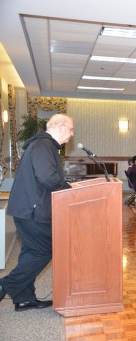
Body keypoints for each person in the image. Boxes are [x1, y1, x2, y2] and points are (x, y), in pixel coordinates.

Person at [0, 114, 74, 311]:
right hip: (33, 210)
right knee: (44, 250)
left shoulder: (44, 145)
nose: (72, 134)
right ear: (60, 127)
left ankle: (24, 298)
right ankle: (5, 285)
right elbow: (48, 178)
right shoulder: (44, 145)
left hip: (28, 208)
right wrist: (69, 189)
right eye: (71, 129)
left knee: (31, 252)